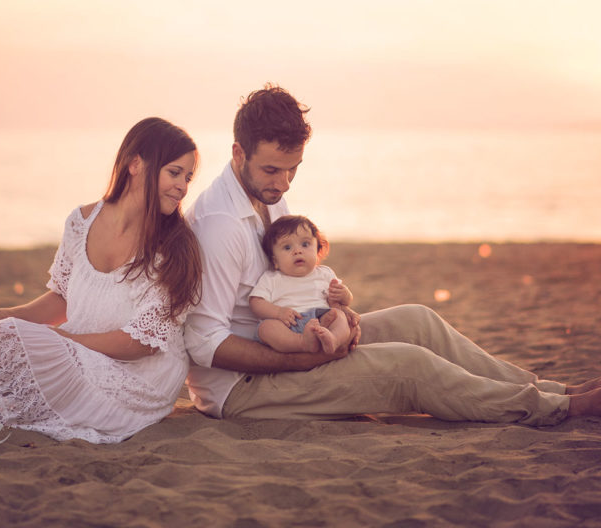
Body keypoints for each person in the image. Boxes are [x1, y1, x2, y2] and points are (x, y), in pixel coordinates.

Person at [184, 84, 601, 425]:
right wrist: (298, 360)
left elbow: (290, 281)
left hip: (299, 340)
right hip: (242, 388)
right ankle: (558, 409)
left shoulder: (267, 195)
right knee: (409, 365)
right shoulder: (220, 225)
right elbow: (205, 344)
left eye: (294, 168)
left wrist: (340, 319)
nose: (285, 183)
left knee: (417, 320)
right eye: (273, 169)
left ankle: (550, 389)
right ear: (239, 153)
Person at [0, 118, 202, 443]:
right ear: (135, 164)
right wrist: (7, 313)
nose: (183, 186)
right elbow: (61, 298)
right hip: (82, 353)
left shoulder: (173, 247)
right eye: (174, 173)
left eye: (188, 177)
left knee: (6, 339)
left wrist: (58, 340)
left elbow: (141, 344)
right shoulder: (81, 222)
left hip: (137, 380)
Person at [249, 214, 354, 354]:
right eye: (287, 247)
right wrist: (278, 312)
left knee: (339, 316)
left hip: (321, 319)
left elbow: (344, 301)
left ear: (317, 250)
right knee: (266, 328)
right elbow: (256, 302)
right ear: (275, 260)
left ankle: (333, 339)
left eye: (305, 244)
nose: (298, 251)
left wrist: (344, 294)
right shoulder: (271, 278)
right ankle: (302, 342)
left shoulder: (324, 274)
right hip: (287, 325)